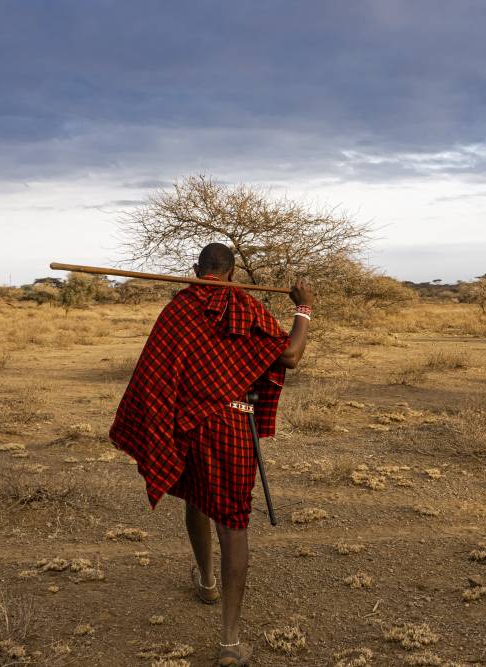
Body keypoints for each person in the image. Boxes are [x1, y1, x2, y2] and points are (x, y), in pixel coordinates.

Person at [109, 242, 313, 666]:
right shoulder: (247, 307)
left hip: (187, 425)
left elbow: (154, 375)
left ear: (195, 269)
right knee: (232, 524)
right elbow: (291, 356)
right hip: (233, 423)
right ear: (232, 274)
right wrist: (304, 308)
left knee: (196, 497)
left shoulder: (178, 310)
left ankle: (206, 583)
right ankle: (230, 644)